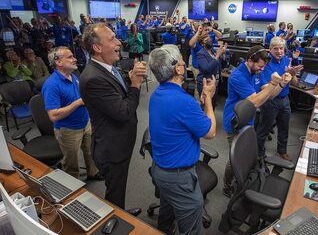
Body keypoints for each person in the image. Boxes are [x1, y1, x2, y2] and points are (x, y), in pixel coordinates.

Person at [148, 44, 217, 235]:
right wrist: (209, 98)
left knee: (168, 210)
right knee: (191, 230)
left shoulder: (157, 95)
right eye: (182, 60)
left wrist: (200, 105)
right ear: (178, 68)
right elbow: (210, 132)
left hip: (160, 170)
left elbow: (182, 119)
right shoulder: (184, 102)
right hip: (179, 179)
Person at [80, 23, 147, 209]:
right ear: (97, 48)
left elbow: (117, 93)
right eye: (112, 39)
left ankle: (120, 214)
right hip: (111, 150)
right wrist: (135, 84)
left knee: (119, 188)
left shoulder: (107, 68)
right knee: (115, 195)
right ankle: (115, 221)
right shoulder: (93, 78)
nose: (119, 41)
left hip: (119, 144)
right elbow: (124, 112)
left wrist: (129, 79)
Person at [222, 45, 292, 196]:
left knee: (245, 155)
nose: (261, 70)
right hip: (234, 122)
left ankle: (242, 181)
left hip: (248, 121)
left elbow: (270, 94)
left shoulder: (256, 72)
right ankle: (227, 186)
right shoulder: (238, 76)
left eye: (263, 67)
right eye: (260, 67)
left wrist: (281, 83)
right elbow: (255, 101)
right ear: (249, 60)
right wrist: (273, 84)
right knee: (235, 159)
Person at [42, 46, 100, 180]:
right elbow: (53, 115)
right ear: (58, 62)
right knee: (71, 162)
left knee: (90, 151)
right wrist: (78, 103)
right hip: (68, 130)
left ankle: (92, 172)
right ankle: (74, 183)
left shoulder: (73, 76)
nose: (74, 59)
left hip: (85, 122)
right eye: (70, 57)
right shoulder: (51, 85)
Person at [256, 37, 303, 161]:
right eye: (275, 48)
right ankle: (258, 153)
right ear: (270, 49)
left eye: (281, 48)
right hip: (270, 102)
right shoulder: (265, 64)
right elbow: (270, 91)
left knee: (284, 128)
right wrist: (284, 78)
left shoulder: (286, 60)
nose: (279, 51)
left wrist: (292, 74)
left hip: (285, 100)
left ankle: (282, 151)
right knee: (264, 130)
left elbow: (294, 83)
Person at [196, 32, 227, 108]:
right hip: (205, 84)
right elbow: (206, 68)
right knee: (205, 107)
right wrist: (217, 56)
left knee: (212, 106)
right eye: (207, 40)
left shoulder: (213, 51)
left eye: (209, 39)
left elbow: (223, 65)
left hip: (215, 83)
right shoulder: (201, 53)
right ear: (202, 44)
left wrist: (223, 54)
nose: (209, 40)